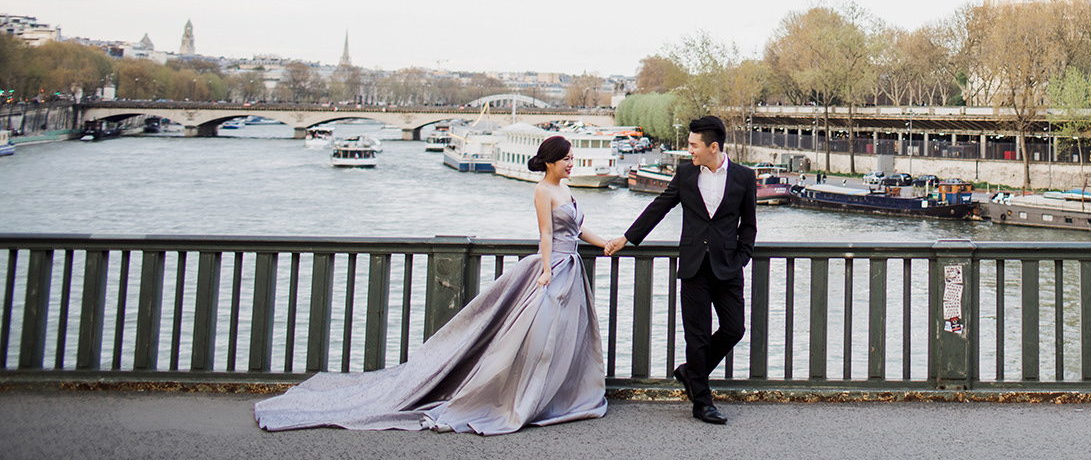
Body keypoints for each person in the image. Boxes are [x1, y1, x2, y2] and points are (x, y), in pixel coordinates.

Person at [254, 135, 610, 434]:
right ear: (550, 162)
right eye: (566, 159)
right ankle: (520, 397)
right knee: (534, 337)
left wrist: (606, 243)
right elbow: (546, 234)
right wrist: (545, 270)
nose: (571, 163)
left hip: (570, 269)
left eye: (572, 158)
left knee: (564, 336)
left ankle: (554, 395)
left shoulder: (565, 189)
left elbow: (577, 230)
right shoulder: (542, 191)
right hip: (552, 269)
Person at [605, 114, 755, 426]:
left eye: (693, 145)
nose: (689, 150)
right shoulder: (686, 173)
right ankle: (702, 402)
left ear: (713, 147)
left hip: (728, 267)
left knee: (734, 329)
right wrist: (626, 238)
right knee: (696, 337)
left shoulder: (744, 177)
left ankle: (690, 372)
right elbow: (660, 206)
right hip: (693, 266)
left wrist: (741, 257)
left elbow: (749, 225)